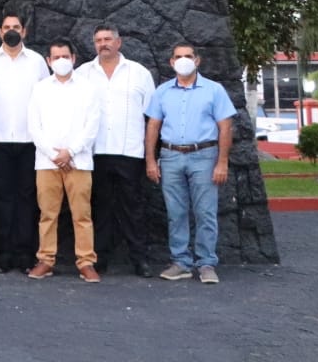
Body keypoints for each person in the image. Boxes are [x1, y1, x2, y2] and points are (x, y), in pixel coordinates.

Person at [145, 43, 236, 284]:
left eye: (188, 56)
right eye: (178, 57)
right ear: (171, 62)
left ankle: (206, 263)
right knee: (176, 212)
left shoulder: (214, 90)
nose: (183, 60)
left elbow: (225, 127)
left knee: (205, 212)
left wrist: (222, 162)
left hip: (204, 155)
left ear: (197, 61)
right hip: (171, 156)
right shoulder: (162, 92)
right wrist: (151, 160)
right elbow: (153, 126)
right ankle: (181, 262)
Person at [77, 23, 156, 277]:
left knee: (133, 208)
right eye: (99, 40)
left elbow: (151, 117)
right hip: (95, 152)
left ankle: (140, 259)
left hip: (129, 152)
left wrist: (150, 156)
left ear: (118, 42)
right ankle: (99, 259)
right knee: (99, 208)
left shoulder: (139, 73)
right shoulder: (83, 74)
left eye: (108, 39)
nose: (103, 44)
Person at [0, 13, 49, 273]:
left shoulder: (37, 62)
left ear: (24, 31)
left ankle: (25, 254)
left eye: (16, 27)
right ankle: (3, 254)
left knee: (27, 198)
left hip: (30, 140)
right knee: (1, 198)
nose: (11, 31)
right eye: (7, 27)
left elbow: (46, 99)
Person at [26, 39, 102, 282]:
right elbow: (34, 126)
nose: (61, 61)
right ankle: (45, 260)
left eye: (65, 56)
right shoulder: (39, 89)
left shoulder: (88, 88)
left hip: (78, 162)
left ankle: (86, 262)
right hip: (47, 163)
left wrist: (70, 151)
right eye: (56, 57)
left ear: (73, 58)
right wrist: (54, 154)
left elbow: (92, 126)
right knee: (48, 214)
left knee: (82, 215)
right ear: (48, 62)